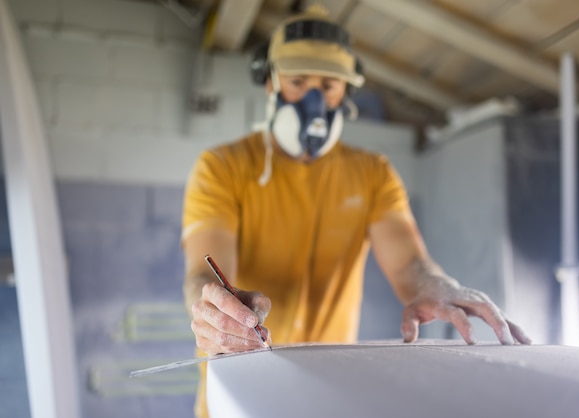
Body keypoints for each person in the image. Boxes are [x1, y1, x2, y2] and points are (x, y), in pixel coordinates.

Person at [181, 5, 531, 417]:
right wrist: (209, 309)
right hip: (240, 393)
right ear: (271, 86)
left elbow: (409, 266)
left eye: (329, 85)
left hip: (326, 392)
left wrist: (435, 283)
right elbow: (202, 273)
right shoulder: (222, 167)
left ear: (346, 92)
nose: (314, 100)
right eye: (297, 82)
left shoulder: (372, 174)